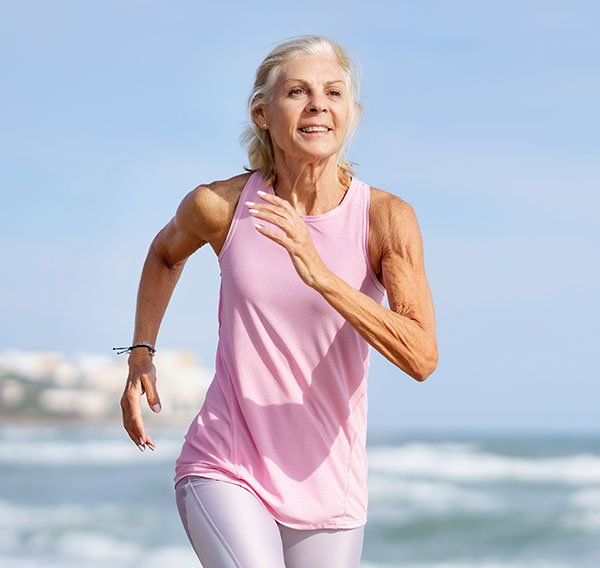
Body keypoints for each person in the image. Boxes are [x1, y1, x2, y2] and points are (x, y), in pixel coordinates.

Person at [120, 35, 437, 568]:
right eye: (298, 92)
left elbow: (421, 356)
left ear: (349, 113)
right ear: (262, 113)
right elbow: (164, 255)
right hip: (227, 461)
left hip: (328, 483)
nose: (318, 104)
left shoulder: (384, 218)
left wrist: (323, 276)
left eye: (334, 93)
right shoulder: (220, 206)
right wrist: (141, 353)